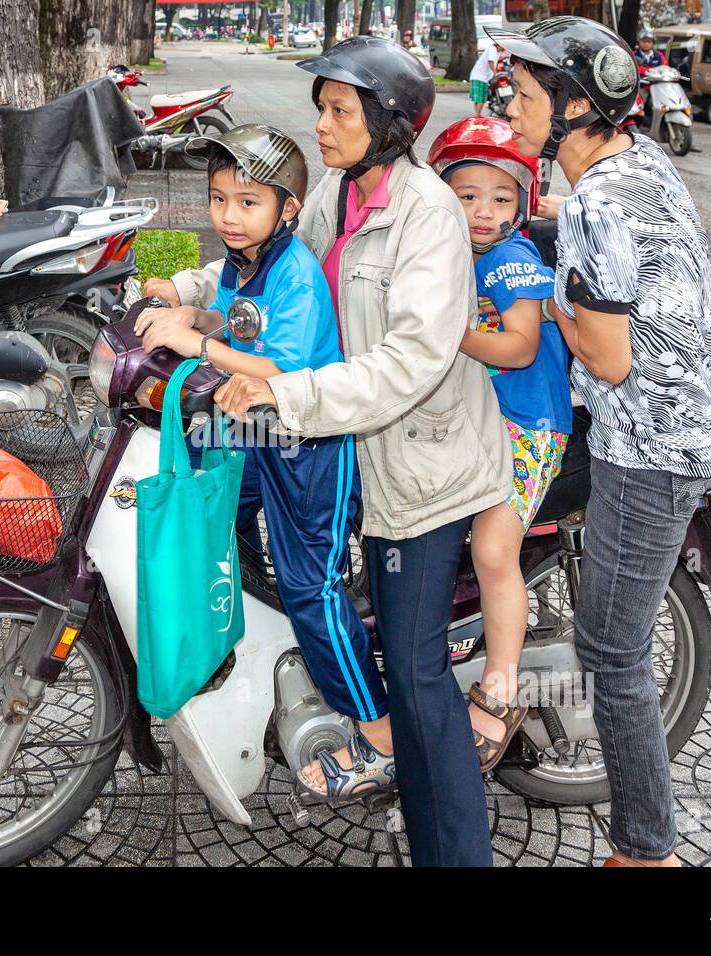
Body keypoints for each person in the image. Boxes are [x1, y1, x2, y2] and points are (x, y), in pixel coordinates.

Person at [146, 36, 510, 867]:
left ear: (387, 123)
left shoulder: (427, 213)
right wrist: (185, 291)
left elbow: (412, 361)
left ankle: (454, 852)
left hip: (420, 465)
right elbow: (269, 262)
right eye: (321, 107)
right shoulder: (340, 195)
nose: (322, 124)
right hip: (343, 442)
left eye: (340, 111)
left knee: (415, 678)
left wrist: (284, 391)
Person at [489, 16, 711, 866]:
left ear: (570, 107)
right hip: (691, 417)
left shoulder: (598, 202)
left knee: (613, 653)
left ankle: (646, 848)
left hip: (649, 445)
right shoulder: (638, 166)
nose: (511, 108)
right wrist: (568, 226)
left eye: (524, 97)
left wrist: (543, 298)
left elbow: (605, 354)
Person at [136, 126, 393, 773]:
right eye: (220, 199)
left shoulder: (297, 273)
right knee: (213, 492)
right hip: (262, 437)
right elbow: (238, 324)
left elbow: (279, 369)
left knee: (312, 586)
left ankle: (380, 733)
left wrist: (198, 345)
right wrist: (192, 315)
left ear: (287, 209)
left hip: (313, 450)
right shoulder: (240, 262)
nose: (229, 215)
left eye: (248, 202)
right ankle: (256, 633)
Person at [426, 117, 572, 772]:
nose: (484, 211)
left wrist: (452, 333)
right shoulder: (454, 255)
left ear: (521, 203)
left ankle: (501, 686)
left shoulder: (514, 262)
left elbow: (518, 346)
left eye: (501, 198)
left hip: (529, 427)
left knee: (492, 548)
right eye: (467, 195)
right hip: (478, 417)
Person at [469, 43, 501, 117]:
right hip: (480, 76)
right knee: (481, 98)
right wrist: (495, 73)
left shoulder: (497, 51)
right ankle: (477, 115)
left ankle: (477, 114)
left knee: (478, 98)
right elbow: (491, 62)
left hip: (480, 76)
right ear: (499, 45)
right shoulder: (492, 49)